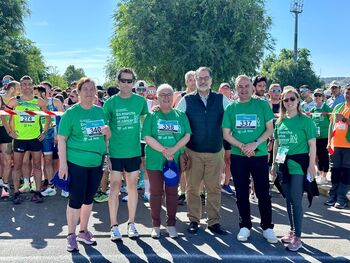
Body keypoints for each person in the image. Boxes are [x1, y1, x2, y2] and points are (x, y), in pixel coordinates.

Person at [58, 77, 110, 252]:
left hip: (95, 163)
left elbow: (105, 138)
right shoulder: (71, 113)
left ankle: (83, 231)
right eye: (85, 89)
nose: (89, 93)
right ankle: (71, 235)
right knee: (76, 200)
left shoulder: (100, 112)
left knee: (88, 199)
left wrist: (108, 135)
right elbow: (62, 140)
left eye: (92, 89)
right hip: (76, 163)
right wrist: (63, 164)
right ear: (78, 92)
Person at [222, 75, 277, 243]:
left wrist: (254, 144)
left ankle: (267, 227)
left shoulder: (262, 105)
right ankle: (245, 226)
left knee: (263, 193)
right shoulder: (231, 108)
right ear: (235, 89)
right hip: (239, 157)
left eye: (246, 86)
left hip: (258, 155)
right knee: (242, 193)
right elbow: (226, 134)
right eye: (240, 87)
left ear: (252, 88)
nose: (243, 89)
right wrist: (242, 146)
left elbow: (269, 130)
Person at [177, 67, 230, 235]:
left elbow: (234, 115)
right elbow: (175, 119)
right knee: (192, 189)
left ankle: (214, 222)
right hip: (193, 152)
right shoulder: (186, 100)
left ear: (211, 80)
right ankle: (194, 220)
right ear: (195, 79)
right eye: (199, 78)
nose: (202, 81)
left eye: (205, 78)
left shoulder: (221, 99)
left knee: (213, 188)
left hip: (216, 152)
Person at [104, 68, 148, 240]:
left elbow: (147, 119)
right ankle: (114, 226)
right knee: (114, 187)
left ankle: (131, 223)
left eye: (130, 81)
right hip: (115, 152)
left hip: (133, 151)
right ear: (118, 82)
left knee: (132, 188)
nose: (127, 84)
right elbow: (104, 129)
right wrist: (106, 154)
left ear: (134, 82)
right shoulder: (110, 103)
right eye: (123, 80)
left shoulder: (140, 101)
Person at [271, 86, 317, 251]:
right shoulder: (280, 121)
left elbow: (312, 144)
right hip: (283, 165)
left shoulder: (306, 121)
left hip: (299, 165)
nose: (289, 102)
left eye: (292, 99)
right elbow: (277, 144)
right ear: (283, 102)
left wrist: (312, 166)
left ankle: (298, 237)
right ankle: (292, 231)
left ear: (298, 100)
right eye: (286, 99)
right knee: (288, 200)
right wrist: (274, 165)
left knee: (296, 201)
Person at [143, 84, 191, 238]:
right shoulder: (152, 115)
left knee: (172, 193)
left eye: (169, 94)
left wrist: (174, 149)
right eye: (162, 94)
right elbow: (147, 137)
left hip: (174, 161)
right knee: (155, 193)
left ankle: (171, 224)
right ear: (157, 97)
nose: (166, 97)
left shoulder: (180, 115)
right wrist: (164, 150)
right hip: (155, 160)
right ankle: (156, 225)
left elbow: (187, 135)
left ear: (173, 96)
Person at [7, 76, 51, 204]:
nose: (27, 86)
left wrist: (44, 131)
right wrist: (10, 131)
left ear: (33, 86)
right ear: (20, 86)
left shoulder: (40, 102)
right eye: (24, 84)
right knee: (17, 166)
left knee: (37, 165)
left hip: (34, 138)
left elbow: (48, 117)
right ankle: (16, 193)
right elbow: (5, 116)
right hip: (20, 138)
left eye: (29, 84)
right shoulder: (14, 101)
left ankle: (37, 192)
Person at [37, 82, 65, 197]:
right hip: (44, 137)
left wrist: (59, 134)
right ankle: (51, 186)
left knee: (63, 161)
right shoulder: (36, 104)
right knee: (47, 161)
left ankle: (65, 186)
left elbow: (64, 119)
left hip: (58, 135)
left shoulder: (56, 102)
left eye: (46, 89)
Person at [174, 70, 197, 205]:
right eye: (190, 79)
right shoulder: (181, 97)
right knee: (183, 166)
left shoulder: (202, 95)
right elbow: (175, 115)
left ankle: (199, 194)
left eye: (195, 79)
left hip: (198, 135)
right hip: (183, 136)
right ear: (186, 82)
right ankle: (182, 192)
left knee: (197, 166)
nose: (193, 82)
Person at [325, 85, 350, 209]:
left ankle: (341, 198)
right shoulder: (338, 107)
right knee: (335, 172)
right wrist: (329, 141)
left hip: (348, 146)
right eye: (347, 92)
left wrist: (345, 119)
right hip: (336, 145)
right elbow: (331, 125)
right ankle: (333, 196)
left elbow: (344, 121)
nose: (348, 94)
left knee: (346, 172)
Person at [0, 80, 19, 198]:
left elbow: (12, 118)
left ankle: (5, 186)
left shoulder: (16, 101)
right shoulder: (0, 98)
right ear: (12, 89)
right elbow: (3, 116)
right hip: (3, 129)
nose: (21, 91)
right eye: (19, 89)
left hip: (6, 132)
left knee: (7, 160)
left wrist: (12, 131)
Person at [309, 88, 331, 184]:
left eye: (319, 95)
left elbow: (332, 120)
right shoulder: (313, 109)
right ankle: (320, 174)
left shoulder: (326, 107)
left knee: (324, 156)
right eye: (316, 95)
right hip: (315, 137)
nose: (317, 97)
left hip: (325, 136)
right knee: (316, 156)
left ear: (323, 97)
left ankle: (324, 176)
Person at [218, 83, 235, 196]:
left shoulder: (233, 104)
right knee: (218, 161)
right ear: (219, 90)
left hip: (229, 135)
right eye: (222, 88)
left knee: (228, 160)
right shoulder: (215, 102)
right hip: (217, 136)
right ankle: (216, 184)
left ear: (230, 91)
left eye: (227, 88)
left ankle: (226, 184)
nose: (225, 90)